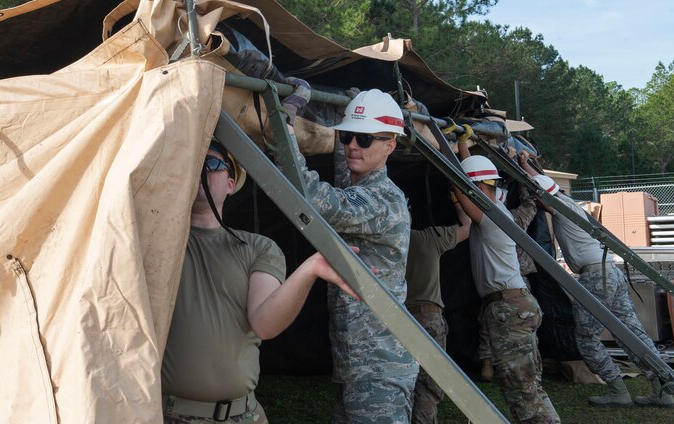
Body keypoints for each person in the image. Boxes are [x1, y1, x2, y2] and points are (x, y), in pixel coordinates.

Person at [161, 140, 358, 423]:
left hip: (242, 415)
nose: (202, 170)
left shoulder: (257, 247)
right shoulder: (157, 244)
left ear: (230, 184)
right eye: (194, 163)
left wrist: (310, 269)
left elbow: (265, 323)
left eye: (212, 164)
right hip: (168, 415)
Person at [280, 83, 419, 423]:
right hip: (360, 364)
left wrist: (284, 125)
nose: (352, 145)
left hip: (378, 371)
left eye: (365, 139)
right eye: (346, 136)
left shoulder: (382, 200)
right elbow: (347, 177)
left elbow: (313, 197)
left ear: (390, 145)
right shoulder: (364, 188)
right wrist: (350, 109)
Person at [528, 170, 674, 409]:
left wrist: (531, 183)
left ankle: (618, 391)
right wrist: (527, 164)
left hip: (596, 276)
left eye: (537, 198)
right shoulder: (569, 203)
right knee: (632, 333)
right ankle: (662, 390)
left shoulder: (559, 208)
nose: (536, 203)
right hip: (610, 272)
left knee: (587, 339)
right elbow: (545, 186)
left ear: (545, 197)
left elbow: (544, 193)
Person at [453, 139, 559, 424]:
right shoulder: (495, 211)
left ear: (479, 188)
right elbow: (469, 179)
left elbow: (461, 183)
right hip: (516, 304)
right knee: (528, 384)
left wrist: (446, 155)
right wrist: (462, 146)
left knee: (521, 388)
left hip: (508, 308)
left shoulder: (490, 214)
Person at [405, 203, 471, 424]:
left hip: (395, 321)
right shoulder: (428, 238)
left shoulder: (382, 246)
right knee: (428, 385)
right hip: (428, 318)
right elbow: (468, 226)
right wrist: (457, 199)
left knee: (399, 382)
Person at [479, 149, 538, 382]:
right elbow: (531, 201)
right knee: (521, 326)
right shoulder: (517, 217)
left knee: (490, 319)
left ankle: (488, 364)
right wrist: (521, 169)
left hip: (499, 277)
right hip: (518, 277)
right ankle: (527, 365)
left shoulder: (496, 217)